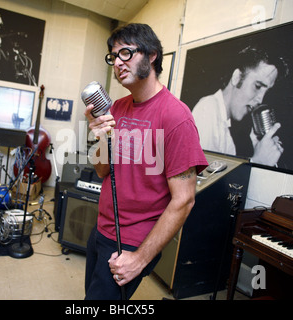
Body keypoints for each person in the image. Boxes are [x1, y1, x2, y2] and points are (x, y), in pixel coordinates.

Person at [83, 23, 208, 300]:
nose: (117, 63)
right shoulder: (117, 107)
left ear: (151, 55)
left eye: (125, 53)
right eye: (113, 56)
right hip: (102, 229)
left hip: (131, 241)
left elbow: (184, 200)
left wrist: (139, 259)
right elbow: (103, 170)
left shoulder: (176, 117)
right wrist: (99, 137)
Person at [192, 46, 288, 166]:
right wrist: (256, 161)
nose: (260, 99)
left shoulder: (226, 133)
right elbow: (199, 179)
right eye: (257, 86)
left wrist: (260, 155)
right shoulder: (207, 109)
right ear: (237, 77)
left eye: (266, 92)